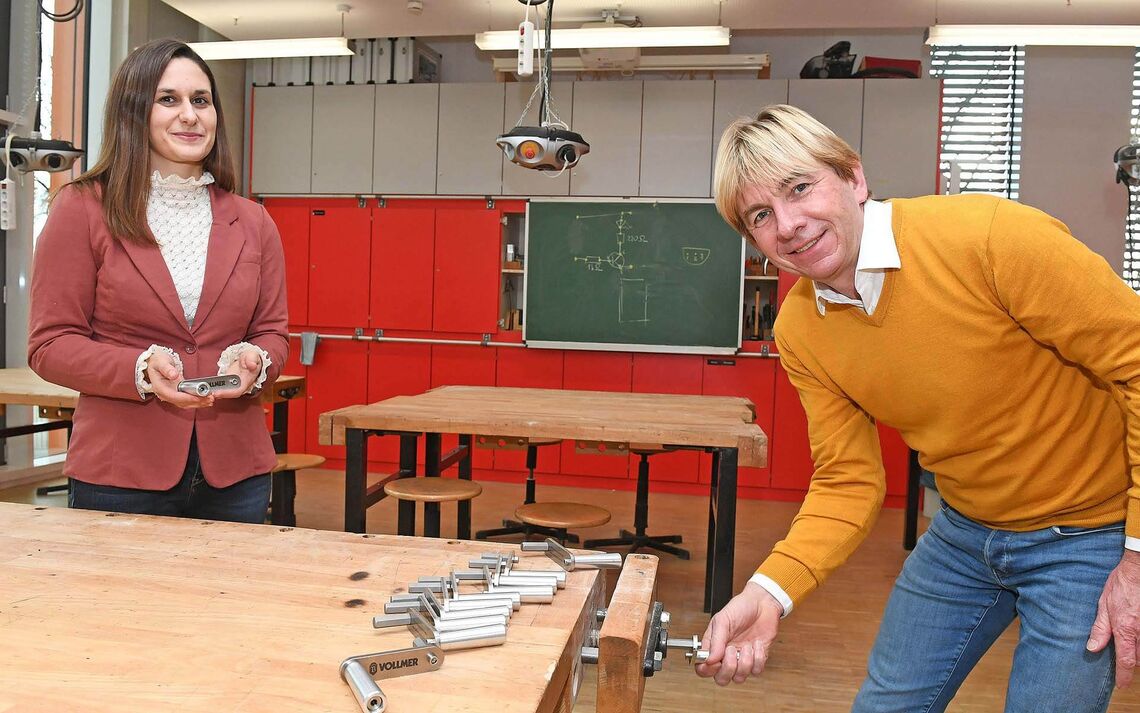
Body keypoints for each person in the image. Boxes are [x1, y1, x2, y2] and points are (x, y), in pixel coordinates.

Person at [697, 104, 1140, 712]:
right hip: (964, 532)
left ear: (854, 178)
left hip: (1090, 534)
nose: (790, 224)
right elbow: (847, 480)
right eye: (761, 215)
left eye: (800, 188)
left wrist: (1138, 555)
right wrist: (768, 592)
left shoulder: (989, 237)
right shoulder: (800, 329)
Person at [27, 38, 288, 523]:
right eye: (168, 99)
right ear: (133, 112)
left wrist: (258, 360)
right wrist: (139, 370)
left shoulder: (254, 222)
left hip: (236, 473)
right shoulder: (82, 210)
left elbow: (272, 332)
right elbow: (50, 344)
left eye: (201, 100)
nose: (189, 115)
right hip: (120, 473)